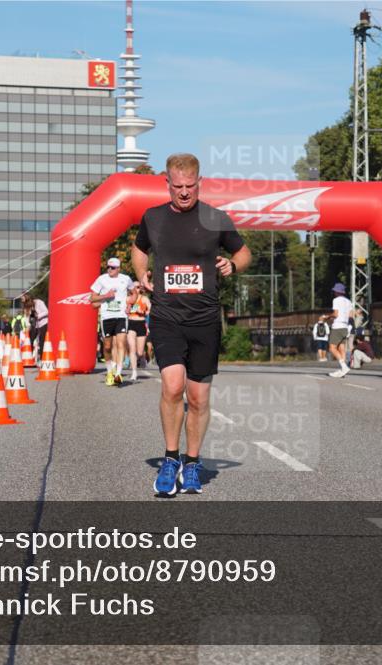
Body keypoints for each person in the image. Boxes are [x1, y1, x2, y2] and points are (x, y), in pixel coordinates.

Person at [132, 153, 251, 495]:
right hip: (167, 315)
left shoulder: (216, 218)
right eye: (177, 186)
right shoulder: (152, 217)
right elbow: (139, 250)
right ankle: (170, 459)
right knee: (172, 385)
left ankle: (193, 462)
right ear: (166, 183)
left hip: (204, 319)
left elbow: (243, 253)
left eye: (190, 186)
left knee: (198, 398)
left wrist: (233, 265)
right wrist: (141, 273)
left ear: (200, 182)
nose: (184, 192)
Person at [90, 257, 133, 386]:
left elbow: (134, 293)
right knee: (107, 347)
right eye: (108, 267)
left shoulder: (125, 279)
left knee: (121, 344)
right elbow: (92, 299)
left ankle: (118, 373)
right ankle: (110, 372)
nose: (110, 269)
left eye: (113, 268)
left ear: (119, 268)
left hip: (121, 316)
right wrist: (105, 296)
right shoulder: (101, 279)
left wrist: (130, 303)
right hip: (106, 316)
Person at [125, 281, 151, 381]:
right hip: (131, 323)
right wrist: (127, 310)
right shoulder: (128, 299)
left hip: (141, 324)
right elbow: (124, 310)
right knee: (132, 348)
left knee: (139, 352)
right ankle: (134, 372)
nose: (137, 288)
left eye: (139, 287)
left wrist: (143, 311)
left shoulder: (144, 299)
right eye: (136, 287)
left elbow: (151, 310)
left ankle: (142, 357)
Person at [328, 282, 353, 378]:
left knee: (332, 348)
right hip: (345, 327)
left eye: (334, 291)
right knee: (341, 347)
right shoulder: (349, 301)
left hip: (337, 326)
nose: (334, 292)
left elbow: (335, 314)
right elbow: (351, 316)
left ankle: (344, 367)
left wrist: (327, 317)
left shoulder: (336, 300)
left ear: (336, 292)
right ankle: (342, 370)